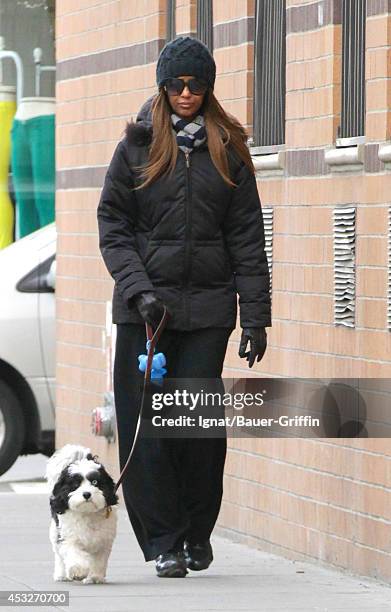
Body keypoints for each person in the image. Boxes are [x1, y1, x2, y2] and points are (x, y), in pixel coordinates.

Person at [97, 35, 272, 578]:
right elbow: (113, 227)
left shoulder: (229, 147)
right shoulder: (137, 145)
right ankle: (164, 543)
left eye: (196, 85)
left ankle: (197, 532)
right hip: (145, 312)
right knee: (146, 427)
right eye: (177, 84)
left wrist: (256, 317)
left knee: (197, 428)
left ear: (209, 88)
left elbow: (247, 237)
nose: (187, 93)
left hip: (207, 313)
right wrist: (138, 291)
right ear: (163, 86)